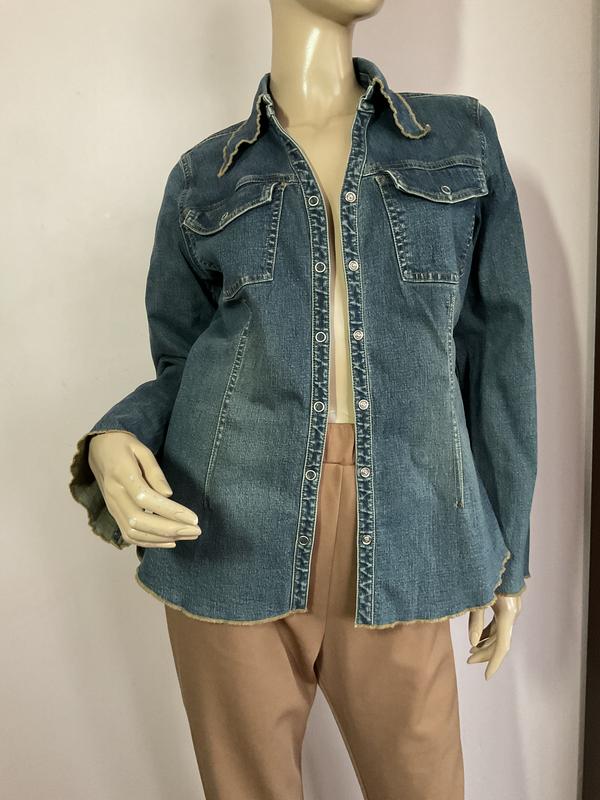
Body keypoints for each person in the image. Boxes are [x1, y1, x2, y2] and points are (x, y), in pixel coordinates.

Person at [68, 1, 538, 797]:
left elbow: (500, 351)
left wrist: (509, 553)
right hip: (225, 519)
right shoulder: (204, 175)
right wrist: (117, 436)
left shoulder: (458, 139)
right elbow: (181, 366)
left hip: (411, 513)